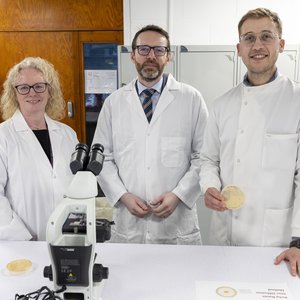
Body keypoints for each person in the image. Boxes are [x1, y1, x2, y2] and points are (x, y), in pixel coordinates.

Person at [199, 7, 300, 276]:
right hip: (225, 235)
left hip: (276, 243)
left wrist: (298, 240)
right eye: (249, 38)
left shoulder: (297, 100)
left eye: (266, 36)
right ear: (238, 48)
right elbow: (208, 159)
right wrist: (209, 186)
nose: (257, 45)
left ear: (281, 44)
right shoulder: (222, 104)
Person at [93, 24, 208, 244]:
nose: (151, 56)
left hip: (176, 223)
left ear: (169, 56)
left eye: (159, 50)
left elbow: (204, 157)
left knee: (178, 277)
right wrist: (123, 196)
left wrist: (178, 195)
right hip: (129, 222)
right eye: (143, 49)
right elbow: (102, 158)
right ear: (133, 55)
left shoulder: (191, 99)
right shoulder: (113, 103)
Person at [0, 57, 78, 241]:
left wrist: (77, 229)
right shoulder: (3, 136)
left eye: (39, 86)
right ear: (14, 93)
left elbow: (76, 187)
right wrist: (19, 235)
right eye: (24, 87)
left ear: (50, 90)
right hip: (23, 238)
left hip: (66, 234)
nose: (32, 93)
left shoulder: (68, 134)